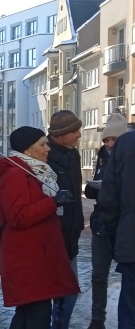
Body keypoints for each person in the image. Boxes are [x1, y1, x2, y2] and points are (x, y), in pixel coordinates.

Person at [0, 126, 80, 328]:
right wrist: (53, 202)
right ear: (27, 151)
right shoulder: (16, 174)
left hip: (37, 259)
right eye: (42, 144)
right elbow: (17, 216)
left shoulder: (35, 172)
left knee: (30, 315)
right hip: (27, 261)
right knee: (36, 316)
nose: (48, 148)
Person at [84, 113, 125, 329]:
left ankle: (125, 319)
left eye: (113, 140)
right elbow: (92, 194)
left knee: (127, 276)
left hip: (123, 228)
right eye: (106, 140)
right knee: (98, 275)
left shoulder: (128, 158)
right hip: (101, 225)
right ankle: (97, 319)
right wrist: (93, 186)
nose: (109, 144)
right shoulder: (101, 158)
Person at [45, 110, 84, 329]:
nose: (79, 135)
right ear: (60, 134)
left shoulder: (73, 154)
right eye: (74, 131)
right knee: (64, 292)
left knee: (68, 292)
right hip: (53, 235)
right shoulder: (46, 156)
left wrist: (77, 224)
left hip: (71, 234)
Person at [96, 128, 135, 328]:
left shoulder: (126, 144)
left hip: (131, 240)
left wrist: (115, 232)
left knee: (131, 307)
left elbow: (108, 198)